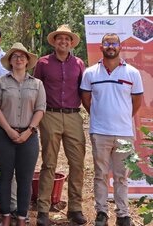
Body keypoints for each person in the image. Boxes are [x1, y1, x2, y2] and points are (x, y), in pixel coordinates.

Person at [80, 33, 143, 226]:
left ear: (120, 47)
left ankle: (123, 214)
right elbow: (86, 99)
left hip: (124, 133)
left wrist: (122, 117)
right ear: (101, 47)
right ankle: (101, 212)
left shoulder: (132, 73)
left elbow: (137, 102)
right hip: (99, 132)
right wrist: (100, 116)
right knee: (99, 174)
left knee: (121, 176)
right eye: (107, 43)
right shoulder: (90, 73)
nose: (110, 46)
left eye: (114, 43)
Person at [34, 25, 87, 226]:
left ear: (71, 42)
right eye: (59, 39)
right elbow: (36, 89)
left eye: (67, 39)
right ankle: (43, 210)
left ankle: (75, 208)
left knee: (78, 164)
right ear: (54, 42)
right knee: (49, 163)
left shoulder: (79, 64)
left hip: (73, 115)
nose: (63, 42)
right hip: (50, 115)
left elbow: (84, 91)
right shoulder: (43, 63)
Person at [0, 43, 46, 226]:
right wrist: (9, 130)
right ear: (10, 61)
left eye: (22, 56)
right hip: (3, 135)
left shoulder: (37, 84)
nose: (19, 59)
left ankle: (21, 217)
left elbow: (40, 109)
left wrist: (29, 130)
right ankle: (5, 215)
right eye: (15, 56)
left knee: (25, 177)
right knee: (4, 176)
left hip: (29, 136)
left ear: (28, 61)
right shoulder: (0, 82)